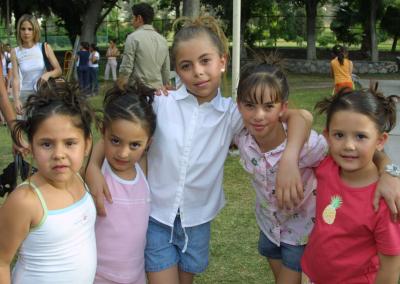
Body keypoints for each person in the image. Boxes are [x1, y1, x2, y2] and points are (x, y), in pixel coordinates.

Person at [88, 16, 314, 284]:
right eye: (186, 65)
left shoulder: (234, 113)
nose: (197, 72)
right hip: (156, 218)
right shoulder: (162, 103)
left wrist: (289, 160)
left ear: (222, 61)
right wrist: (92, 166)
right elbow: (117, 131)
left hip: (198, 222)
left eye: (205, 61)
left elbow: (302, 117)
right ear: (176, 70)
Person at [234, 57, 328, 284]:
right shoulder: (241, 138)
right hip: (268, 228)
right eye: (249, 105)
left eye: (268, 106)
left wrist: (387, 169)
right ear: (238, 105)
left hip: (301, 233)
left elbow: (344, 156)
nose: (258, 115)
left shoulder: (307, 145)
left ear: (283, 108)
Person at [0, 82, 97, 283]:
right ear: (32, 147)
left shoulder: (80, 178)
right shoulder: (26, 200)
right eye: (46, 144)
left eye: (70, 143)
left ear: (86, 144)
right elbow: (1, 261)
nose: (59, 155)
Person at [301, 87, 400, 284]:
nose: (348, 145)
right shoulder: (326, 167)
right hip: (315, 276)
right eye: (339, 135)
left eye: (360, 136)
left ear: (380, 141)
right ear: (327, 136)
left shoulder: (384, 200)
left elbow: (390, 267)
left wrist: (391, 172)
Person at [94, 82, 156, 284]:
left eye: (134, 145)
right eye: (115, 141)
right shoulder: (97, 170)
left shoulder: (142, 170)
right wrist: (93, 168)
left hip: (136, 277)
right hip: (97, 276)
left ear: (148, 144)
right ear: (104, 133)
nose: (123, 153)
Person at [11, 14, 62, 116]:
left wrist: (47, 75)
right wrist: (16, 100)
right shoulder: (15, 52)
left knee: (44, 129)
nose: (26, 32)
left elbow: (59, 70)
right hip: (25, 96)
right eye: (23, 29)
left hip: (44, 94)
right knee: (26, 129)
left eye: (30, 29)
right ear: (19, 31)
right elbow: (16, 79)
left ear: (35, 30)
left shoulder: (45, 47)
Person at [118, 2, 170, 90]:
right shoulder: (163, 40)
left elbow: (126, 68)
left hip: (138, 92)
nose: (131, 21)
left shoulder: (132, 38)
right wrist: (166, 85)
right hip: (158, 91)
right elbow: (166, 70)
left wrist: (120, 88)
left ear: (139, 18)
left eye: (132, 17)